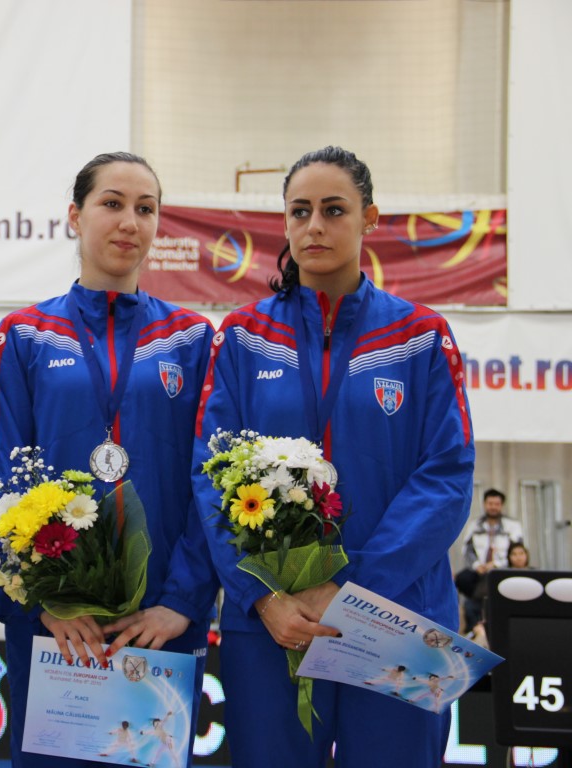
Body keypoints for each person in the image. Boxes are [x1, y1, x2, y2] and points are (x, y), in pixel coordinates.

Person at [191, 146, 475, 766]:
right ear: (285, 222)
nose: (314, 225)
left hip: (397, 614)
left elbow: (446, 476)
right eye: (300, 211)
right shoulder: (244, 337)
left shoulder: (420, 337)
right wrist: (263, 595)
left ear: (370, 217)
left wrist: (352, 588)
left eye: (334, 210)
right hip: (275, 623)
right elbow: (209, 475)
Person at [0, 152, 219, 767]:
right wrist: (43, 599)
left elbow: (209, 482)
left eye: (146, 208)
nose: (129, 222)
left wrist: (183, 600)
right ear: (75, 216)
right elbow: (1, 475)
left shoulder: (191, 338)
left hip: (161, 620)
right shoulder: (25, 335)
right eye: (112, 203)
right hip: (55, 625)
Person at [456, 488, 525, 630]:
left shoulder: (513, 526)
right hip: (479, 572)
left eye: (496, 504)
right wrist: (477, 565)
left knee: (486, 591)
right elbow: (467, 549)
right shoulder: (475, 525)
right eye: (490, 503)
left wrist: (497, 564)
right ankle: (475, 627)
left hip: (503, 570)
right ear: (484, 504)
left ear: (501, 505)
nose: (493, 507)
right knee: (462, 579)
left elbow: (517, 550)